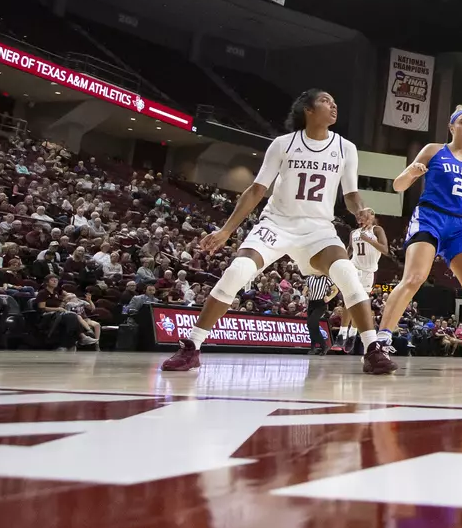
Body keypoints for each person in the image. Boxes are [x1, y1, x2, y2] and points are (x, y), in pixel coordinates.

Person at [161, 90, 380, 373]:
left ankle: (373, 350)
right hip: (277, 223)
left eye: (335, 102)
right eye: (326, 101)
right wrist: (227, 231)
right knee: (237, 270)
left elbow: (351, 194)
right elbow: (256, 190)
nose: (334, 105)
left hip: (318, 228)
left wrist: (360, 209)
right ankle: (192, 346)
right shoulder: (283, 144)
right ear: (308, 109)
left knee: (348, 275)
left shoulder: (345, 148)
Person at [369, 103, 462, 375]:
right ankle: (382, 342)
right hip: (431, 217)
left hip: (460, 226)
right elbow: (398, 185)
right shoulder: (434, 150)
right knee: (413, 278)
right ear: (452, 126)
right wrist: (411, 173)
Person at [345, 211, 389, 352]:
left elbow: (385, 250)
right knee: (349, 298)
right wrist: (344, 262)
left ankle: (352, 333)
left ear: (371, 217)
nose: (360, 219)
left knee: (361, 303)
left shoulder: (377, 230)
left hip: (369, 271)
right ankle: (342, 333)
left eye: (363, 216)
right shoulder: (354, 233)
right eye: (358, 217)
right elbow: (350, 249)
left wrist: (369, 240)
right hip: (354, 266)